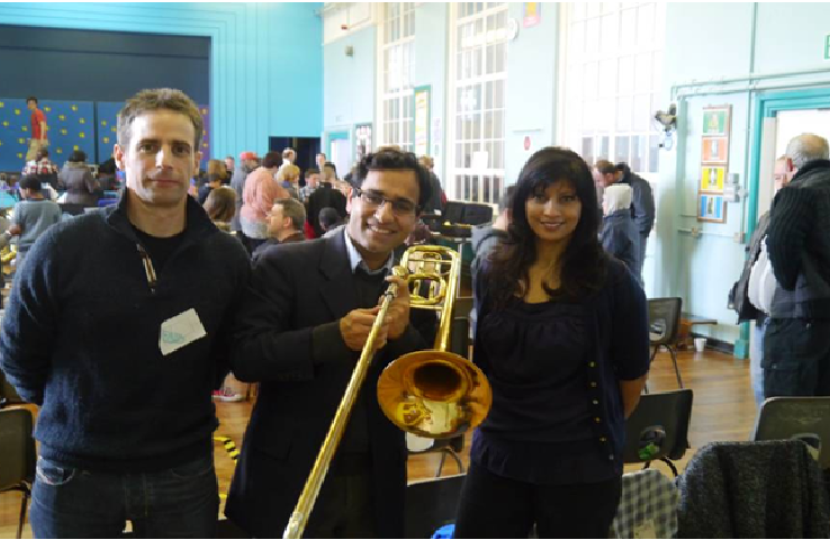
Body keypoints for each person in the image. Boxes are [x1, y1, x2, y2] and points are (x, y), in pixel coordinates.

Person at [0, 88, 251, 538]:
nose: (164, 161)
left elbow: (224, 352)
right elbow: (19, 354)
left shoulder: (226, 258)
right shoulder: (63, 248)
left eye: (179, 149)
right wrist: (78, 409)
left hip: (181, 469)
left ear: (196, 160)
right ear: (121, 156)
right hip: (75, 472)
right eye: (148, 146)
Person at [225, 148, 435, 538]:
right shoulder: (285, 264)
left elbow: (427, 391)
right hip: (289, 474)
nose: (385, 215)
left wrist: (405, 333)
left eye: (402, 205)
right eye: (373, 197)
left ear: (416, 218)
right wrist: (331, 338)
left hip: (377, 479)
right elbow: (247, 358)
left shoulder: (419, 281)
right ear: (351, 198)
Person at [454, 147, 649, 539]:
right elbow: (486, 361)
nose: (551, 211)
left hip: (579, 460)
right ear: (522, 200)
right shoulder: (493, 271)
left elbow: (630, 382)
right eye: (539, 197)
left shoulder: (614, 280)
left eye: (567, 198)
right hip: (499, 451)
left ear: (586, 206)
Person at [764, 133, 830, 397]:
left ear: (790, 164)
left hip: (801, 318)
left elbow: (780, 243)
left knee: (789, 405)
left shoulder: (798, 192)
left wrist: (789, 281)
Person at [729, 156, 790, 407]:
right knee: (759, 384)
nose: (782, 183)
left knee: (778, 389)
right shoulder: (767, 216)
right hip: (760, 316)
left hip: (788, 320)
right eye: (777, 178)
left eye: (786, 175)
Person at [594, 160, 655, 286]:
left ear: (609, 176)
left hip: (633, 235)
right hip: (621, 230)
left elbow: (644, 216)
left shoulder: (638, 185)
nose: (599, 185)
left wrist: (634, 238)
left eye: (599, 181)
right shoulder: (611, 189)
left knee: (633, 273)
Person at [6, 174, 62, 272]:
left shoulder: (20, 206)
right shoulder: (54, 206)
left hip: (26, 252)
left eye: (21, 189)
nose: (20, 191)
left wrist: (7, 234)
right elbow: (59, 228)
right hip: (47, 250)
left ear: (28, 190)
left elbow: (16, 229)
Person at [240, 151, 290, 253]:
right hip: (258, 222)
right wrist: (276, 215)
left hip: (247, 218)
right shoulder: (265, 178)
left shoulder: (254, 173)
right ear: (276, 166)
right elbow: (263, 203)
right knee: (261, 253)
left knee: (252, 251)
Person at [600, 184, 639, 274]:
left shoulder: (614, 227)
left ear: (613, 201)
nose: (602, 204)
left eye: (605, 200)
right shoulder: (628, 221)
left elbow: (604, 258)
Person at [306, 162, 347, 238]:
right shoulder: (339, 195)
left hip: (317, 234)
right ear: (332, 177)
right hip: (336, 234)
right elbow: (343, 214)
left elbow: (310, 218)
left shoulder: (313, 195)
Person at [230, 150, 258, 234]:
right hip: (241, 215)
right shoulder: (242, 176)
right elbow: (250, 196)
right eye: (253, 161)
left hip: (239, 213)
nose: (255, 164)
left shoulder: (238, 172)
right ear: (246, 161)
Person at [26, 96, 49, 162]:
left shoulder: (38, 112)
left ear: (36, 104)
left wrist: (41, 139)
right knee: (37, 159)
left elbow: (43, 125)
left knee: (30, 158)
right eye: (29, 103)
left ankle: (31, 171)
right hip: (36, 139)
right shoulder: (33, 114)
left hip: (39, 140)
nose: (30, 105)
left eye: (32, 103)